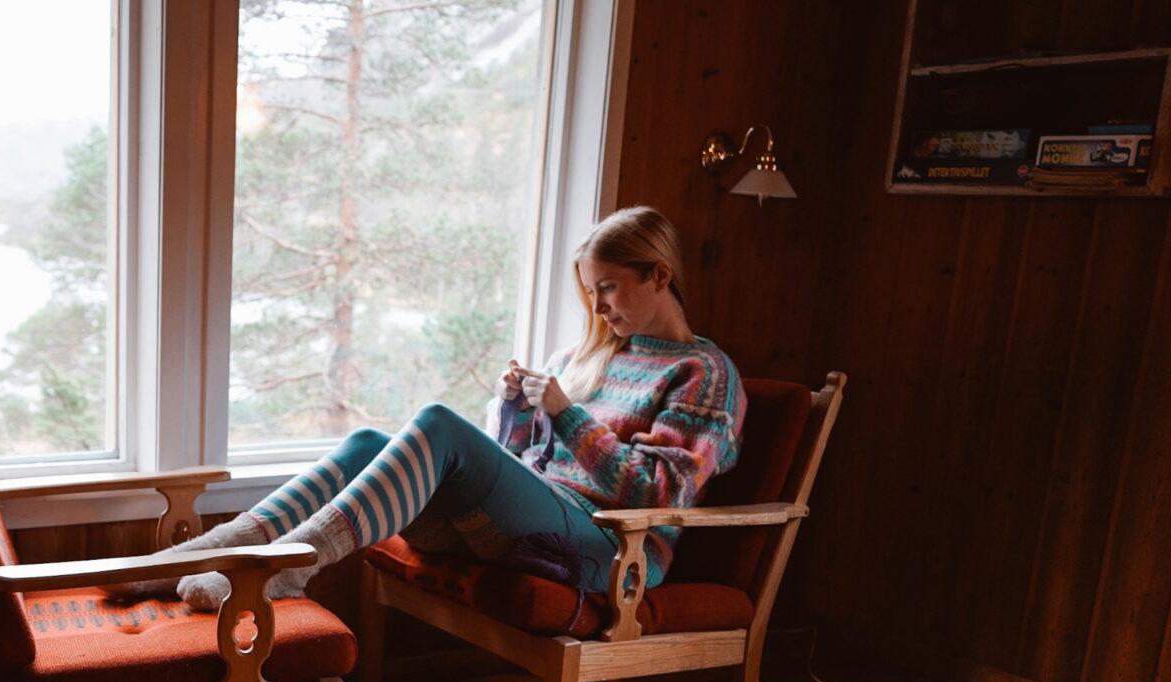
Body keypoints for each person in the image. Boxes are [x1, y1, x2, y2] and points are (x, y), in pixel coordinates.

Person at [124, 205, 747, 611]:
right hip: (548, 519)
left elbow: (657, 495)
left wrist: (565, 413)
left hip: (610, 553)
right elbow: (517, 457)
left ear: (659, 275)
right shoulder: (590, 356)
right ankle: (212, 549)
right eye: (590, 291)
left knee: (438, 425)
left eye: (608, 287)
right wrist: (516, 409)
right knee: (369, 442)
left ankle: (281, 573)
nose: (598, 306)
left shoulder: (703, 374)